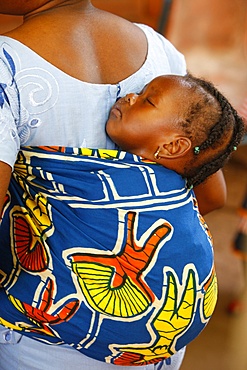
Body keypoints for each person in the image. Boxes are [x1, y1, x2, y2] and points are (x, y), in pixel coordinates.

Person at [0, 1, 236, 369]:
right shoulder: (159, 50)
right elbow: (211, 194)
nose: (129, 100)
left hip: (47, 343)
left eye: (148, 101)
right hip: (158, 343)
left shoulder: (7, 67)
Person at [106, 73, 245, 189]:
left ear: (172, 146)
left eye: (148, 101)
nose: (130, 96)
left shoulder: (119, 187)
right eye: (139, 92)